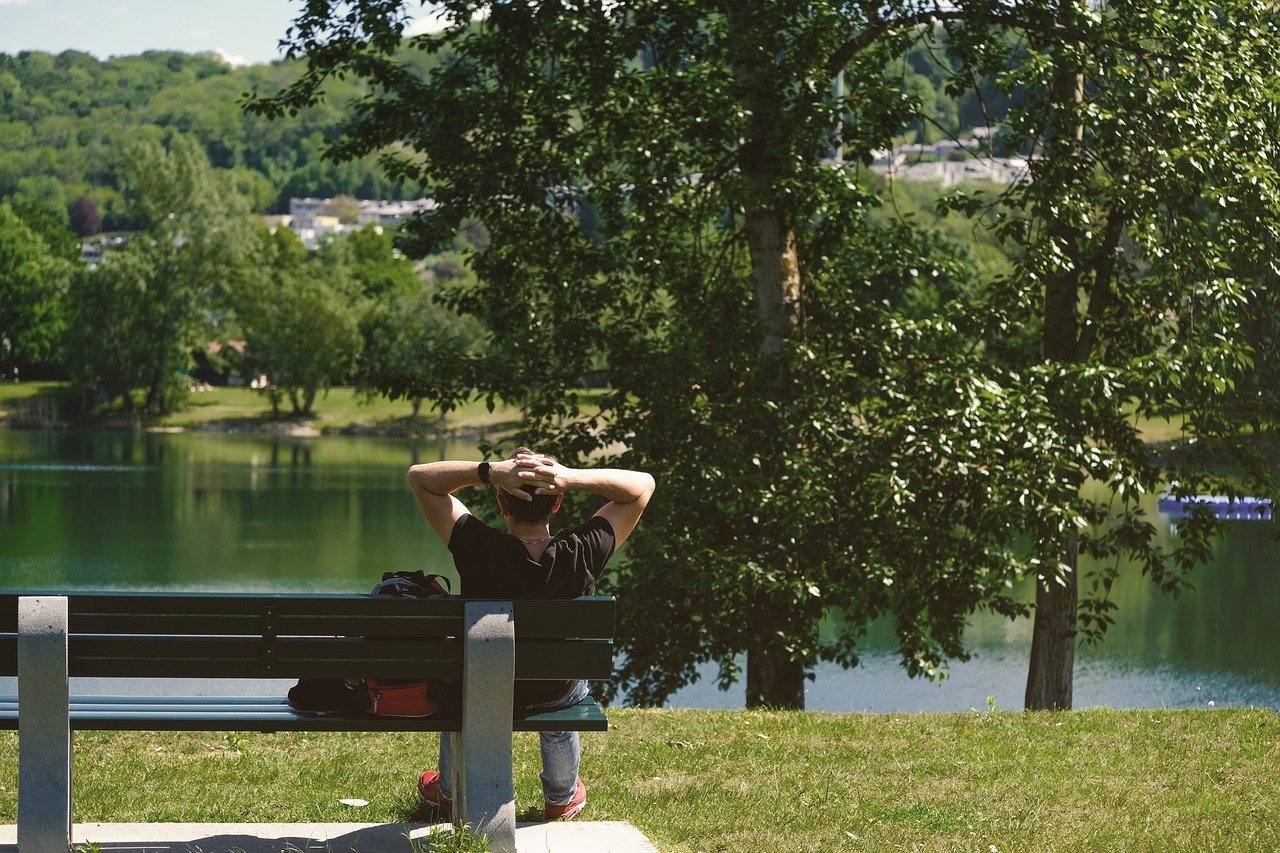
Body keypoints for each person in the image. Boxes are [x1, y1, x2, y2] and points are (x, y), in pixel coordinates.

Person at [407, 448, 655, 821]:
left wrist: (491, 471)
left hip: (484, 684)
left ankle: (447, 790)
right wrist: (569, 477)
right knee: (566, 685)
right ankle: (561, 796)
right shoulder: (582, 551)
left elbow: (420, 478)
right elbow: (642, 486)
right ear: (557, 505)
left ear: (501, 503)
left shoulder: (477, 546)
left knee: (463, 678)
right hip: (553, 689)